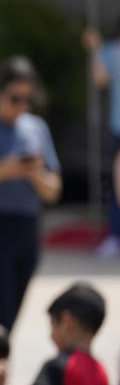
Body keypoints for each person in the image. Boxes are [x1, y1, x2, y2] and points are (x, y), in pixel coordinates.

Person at [0, 56, 62, 331]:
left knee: (10, 323)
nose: (22, 106)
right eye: (15, 98)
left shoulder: (36, 127)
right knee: (0, 320)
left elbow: (53, 192)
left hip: (28, 228)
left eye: (29, 99)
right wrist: (2, 171)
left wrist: (33, 173)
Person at [83, 22, 120, 259]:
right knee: (117, 185)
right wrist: (95, 49)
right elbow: (101, 80)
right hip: (118, 125)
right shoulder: (111, 49)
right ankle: (115, 234)